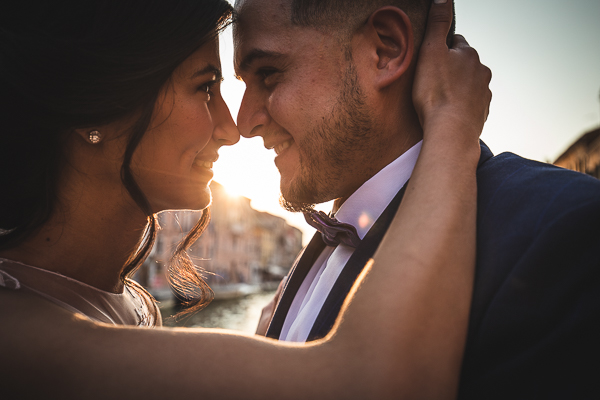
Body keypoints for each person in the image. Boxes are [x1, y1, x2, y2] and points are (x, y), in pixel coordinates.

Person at [0, 0, 493, 398]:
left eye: (268, 75)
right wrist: (452, 120)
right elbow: (374, 383)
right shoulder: (18, 337)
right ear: (97, 109)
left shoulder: (129, 303)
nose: (235, 128)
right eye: (206, 86)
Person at [234, 0, 600, 398]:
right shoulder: (321, 246)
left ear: (386, 49)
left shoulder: (563, 228)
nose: (243, 122)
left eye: (268, 74)